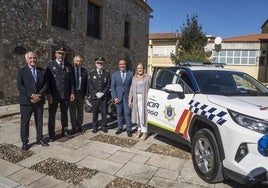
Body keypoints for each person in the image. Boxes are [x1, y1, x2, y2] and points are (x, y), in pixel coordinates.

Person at [17, 51, 49, 150]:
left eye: (34, 58)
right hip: (26, 101)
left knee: (39, 121)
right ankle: (25, 142)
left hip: (39, 100)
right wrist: (31, 95)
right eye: (30, 58)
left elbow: (46, 84)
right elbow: (20, 86)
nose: (33, 60)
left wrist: (38, 95)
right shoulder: (22, 71)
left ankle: (40, 138)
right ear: (26, 60)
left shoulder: (42, 71)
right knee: (25, 122)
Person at [45, 46, 74, 141]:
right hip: (54, 95)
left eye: (63, 54)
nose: (61, 55)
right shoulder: (50, 65)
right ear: (55, 54)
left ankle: (64, 130)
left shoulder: (69, 66)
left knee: (64, 114)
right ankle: (51, 133)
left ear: (65, 55)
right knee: (52, 114)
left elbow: (72, 81)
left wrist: (72, 93)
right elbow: (47, 82)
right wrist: (48, 94)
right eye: (59, 53)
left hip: (65, 95)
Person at [128, 63, 151, 140]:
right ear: (136, 70)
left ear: (144, 69)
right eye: (138, 68)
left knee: (143, 116)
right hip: (136, 99)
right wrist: (129, 100)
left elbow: (151, 89)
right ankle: (139, 130)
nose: (139, 70)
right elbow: (131, 89)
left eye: (141, 68)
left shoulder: (147, 77)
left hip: (144, 99)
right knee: (137, 116)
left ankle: (145, 132)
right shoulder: (134, 78)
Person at [88, 57, 111, 133]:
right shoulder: (92, 74)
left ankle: (104, 126)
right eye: (98, 63)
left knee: (104, 113)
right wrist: (96, 93)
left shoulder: (106, 74)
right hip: (95, 97)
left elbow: (108, 85)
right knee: (95, 112)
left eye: (101, 63)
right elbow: (90, 85)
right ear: (96, 64)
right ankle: (95, 127)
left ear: (103, 64)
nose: (100, 64)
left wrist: (103, 93)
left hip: (103, 97)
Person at [111, 59, 133, 137]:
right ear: (119, 65)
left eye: (124, 64)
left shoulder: (130, 74)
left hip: (127, 98)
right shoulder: (115, 75)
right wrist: (114, 97)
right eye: (121, 64)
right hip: (118, 97)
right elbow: (113, 87)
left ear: (125, 65)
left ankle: (128, 129)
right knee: (119, 113)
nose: (122, 66)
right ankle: (120, 127)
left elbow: (132, 87)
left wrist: (131, 99)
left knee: (127, 113)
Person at [69, 55, 88, 134]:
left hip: (81, 93)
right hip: (72, 93)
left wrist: (86, 94)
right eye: (77, 61)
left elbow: (86, 84)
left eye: (80, 61)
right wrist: (71, 93)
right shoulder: (70, 70)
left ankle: (80, 126)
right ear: (74, 61)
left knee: (80, 110)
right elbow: (69, 83)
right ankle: (73, 127)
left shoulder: (84, 71)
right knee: (72, 110)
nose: (78, 63)